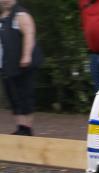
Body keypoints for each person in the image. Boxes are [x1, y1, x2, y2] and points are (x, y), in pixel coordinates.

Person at [0, 0, 42, 136]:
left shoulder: (21, 14)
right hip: (7, 65)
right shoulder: (2, 18)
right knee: (13, 96)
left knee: (25, 95)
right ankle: (21, 127)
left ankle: (27, 128)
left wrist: (26, 55)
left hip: (23, 64)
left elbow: (29, 34)